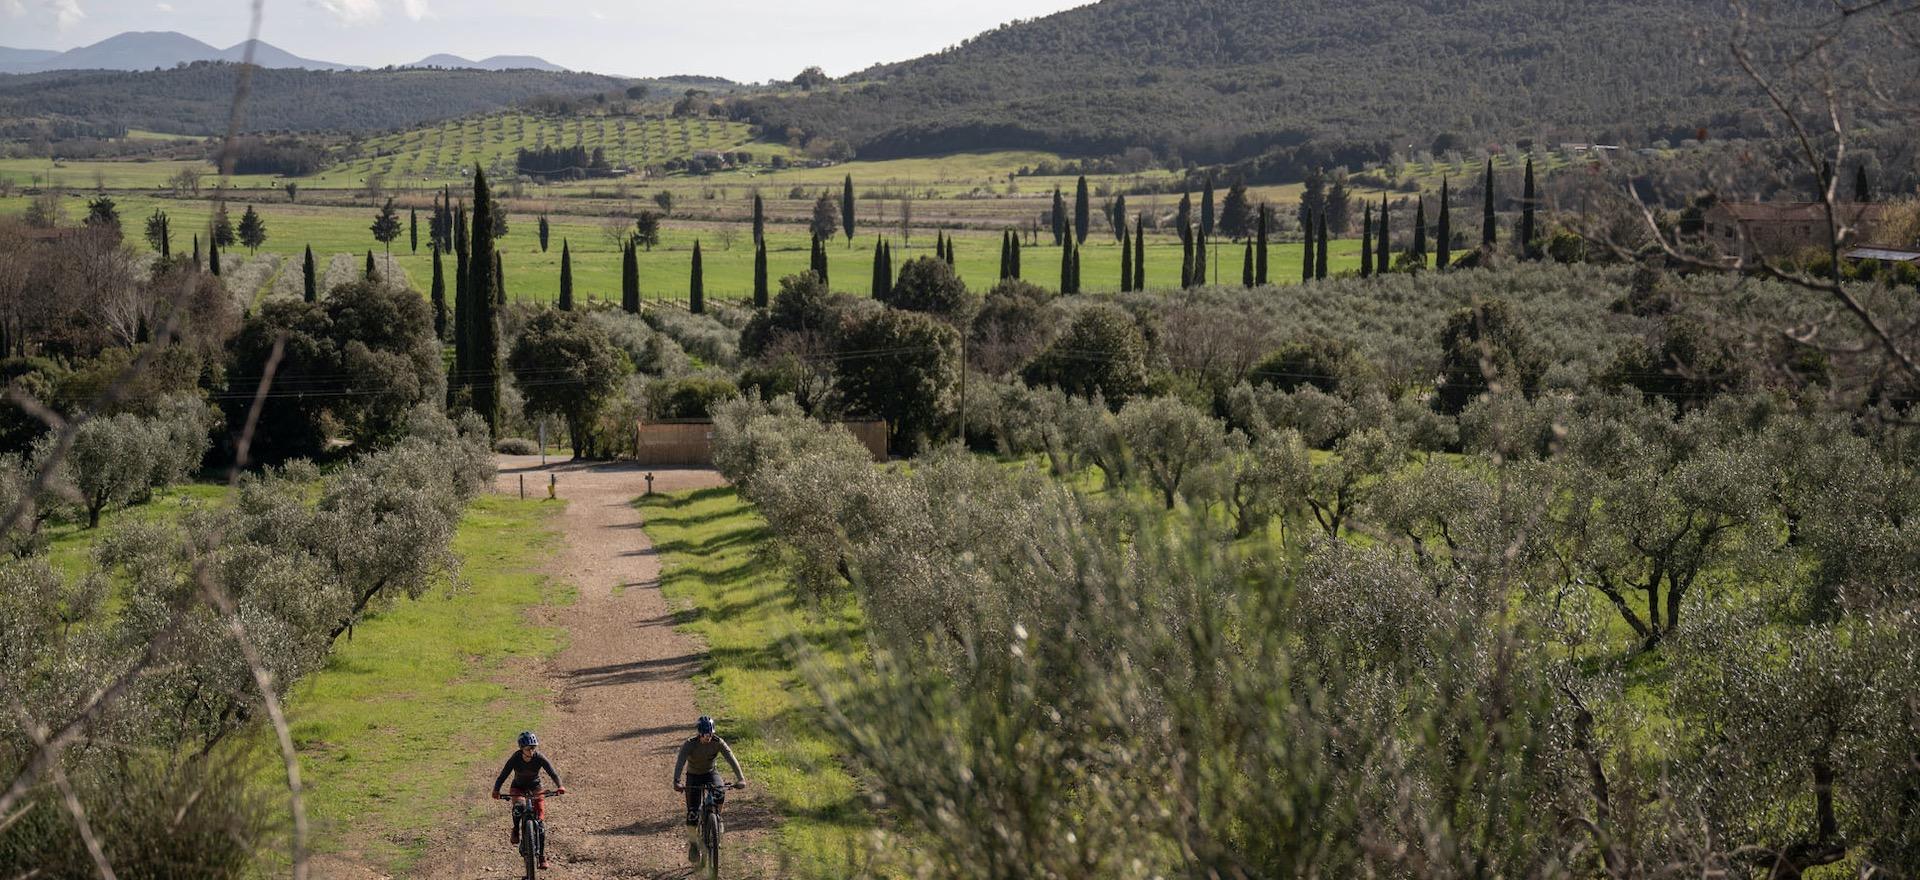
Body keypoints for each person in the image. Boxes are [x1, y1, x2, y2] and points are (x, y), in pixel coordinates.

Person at [672, 716, 746, 862]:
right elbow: (680, 762)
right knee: (692, 814)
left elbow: (731, 758)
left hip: (710, 773)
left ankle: (718, 817)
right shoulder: (689, 744)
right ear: (699, 733)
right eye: (705, 735)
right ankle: (693, 845)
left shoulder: (718, 742)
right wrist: (676, 781)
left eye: (710, 734)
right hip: (693, 775)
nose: (708, 737)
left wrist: (741, 778)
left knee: (720, 792)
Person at [492, 731, 565, 869]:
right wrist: (496, 790)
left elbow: (553, 773)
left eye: (533, 748)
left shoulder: (539, 757)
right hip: (518, 787)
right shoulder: (515, 758)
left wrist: (560, 786)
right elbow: (503, 775)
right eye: (528, 748)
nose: (532, 751)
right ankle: (516, 829)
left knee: (540, 823)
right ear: (521, 749)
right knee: (518, 807)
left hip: (536, 787)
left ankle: (542, 856)